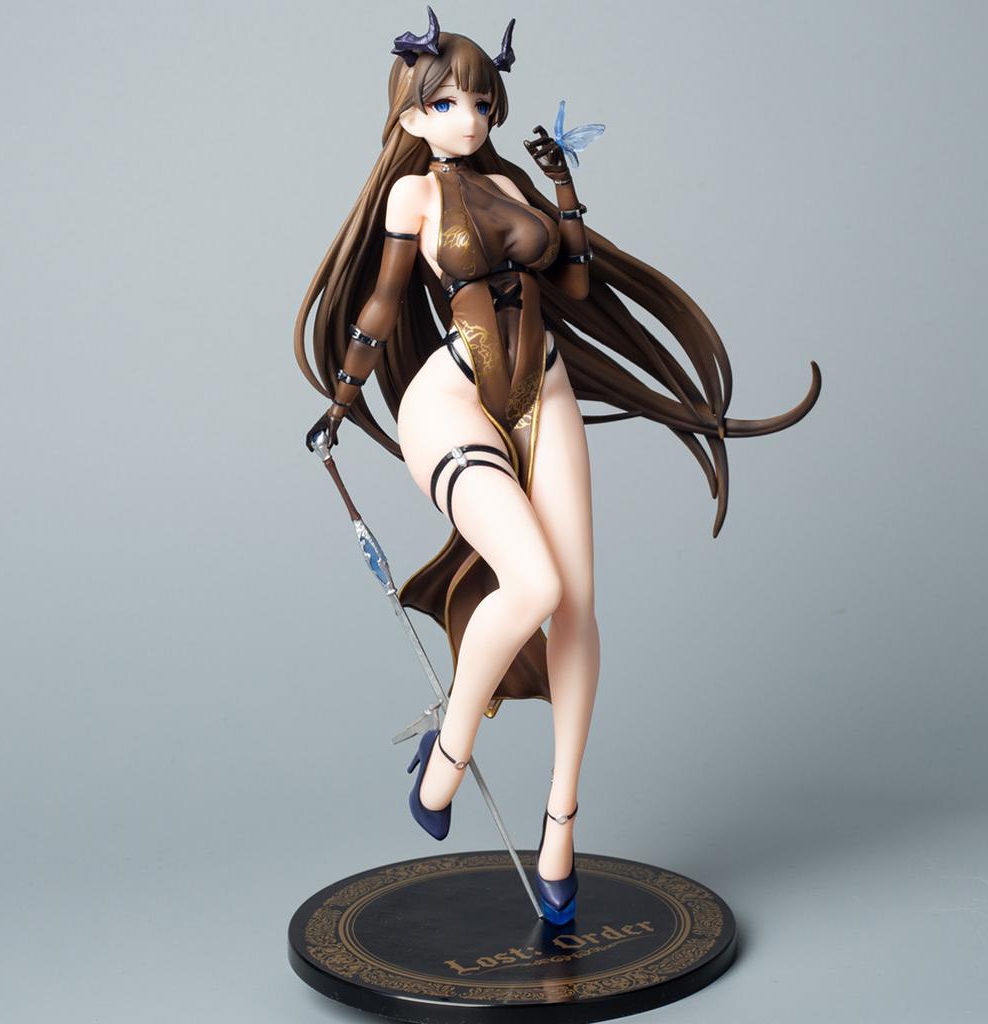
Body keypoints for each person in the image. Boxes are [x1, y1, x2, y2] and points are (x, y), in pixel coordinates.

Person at [296, 8, 820, 925]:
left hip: (545, 391)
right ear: (411, 115)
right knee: (530, 583)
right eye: (447, 103)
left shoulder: (512, 182)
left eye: (481, 101)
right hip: (452, 398)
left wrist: (565, 190)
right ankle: (450, 748)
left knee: (576, 602)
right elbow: (381, 307)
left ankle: (561, 822)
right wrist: (343, 399)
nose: (469, 118)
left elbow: (573, 283)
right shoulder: (410, 197)